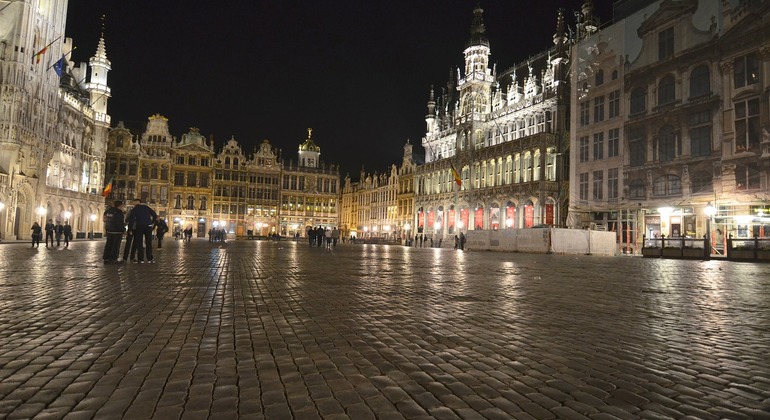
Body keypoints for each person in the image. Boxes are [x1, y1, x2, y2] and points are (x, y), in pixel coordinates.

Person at [126, 198, 158, 263]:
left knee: (139, 243)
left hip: (139, 226)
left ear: (135, 203)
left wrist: (130, 229)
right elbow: (154, 215)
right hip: (148, 226)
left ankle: (141, 259)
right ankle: (150, 258)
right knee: (148, 242)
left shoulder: (134, 210)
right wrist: (151, 222)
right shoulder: (146, 207)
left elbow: (131, 220)